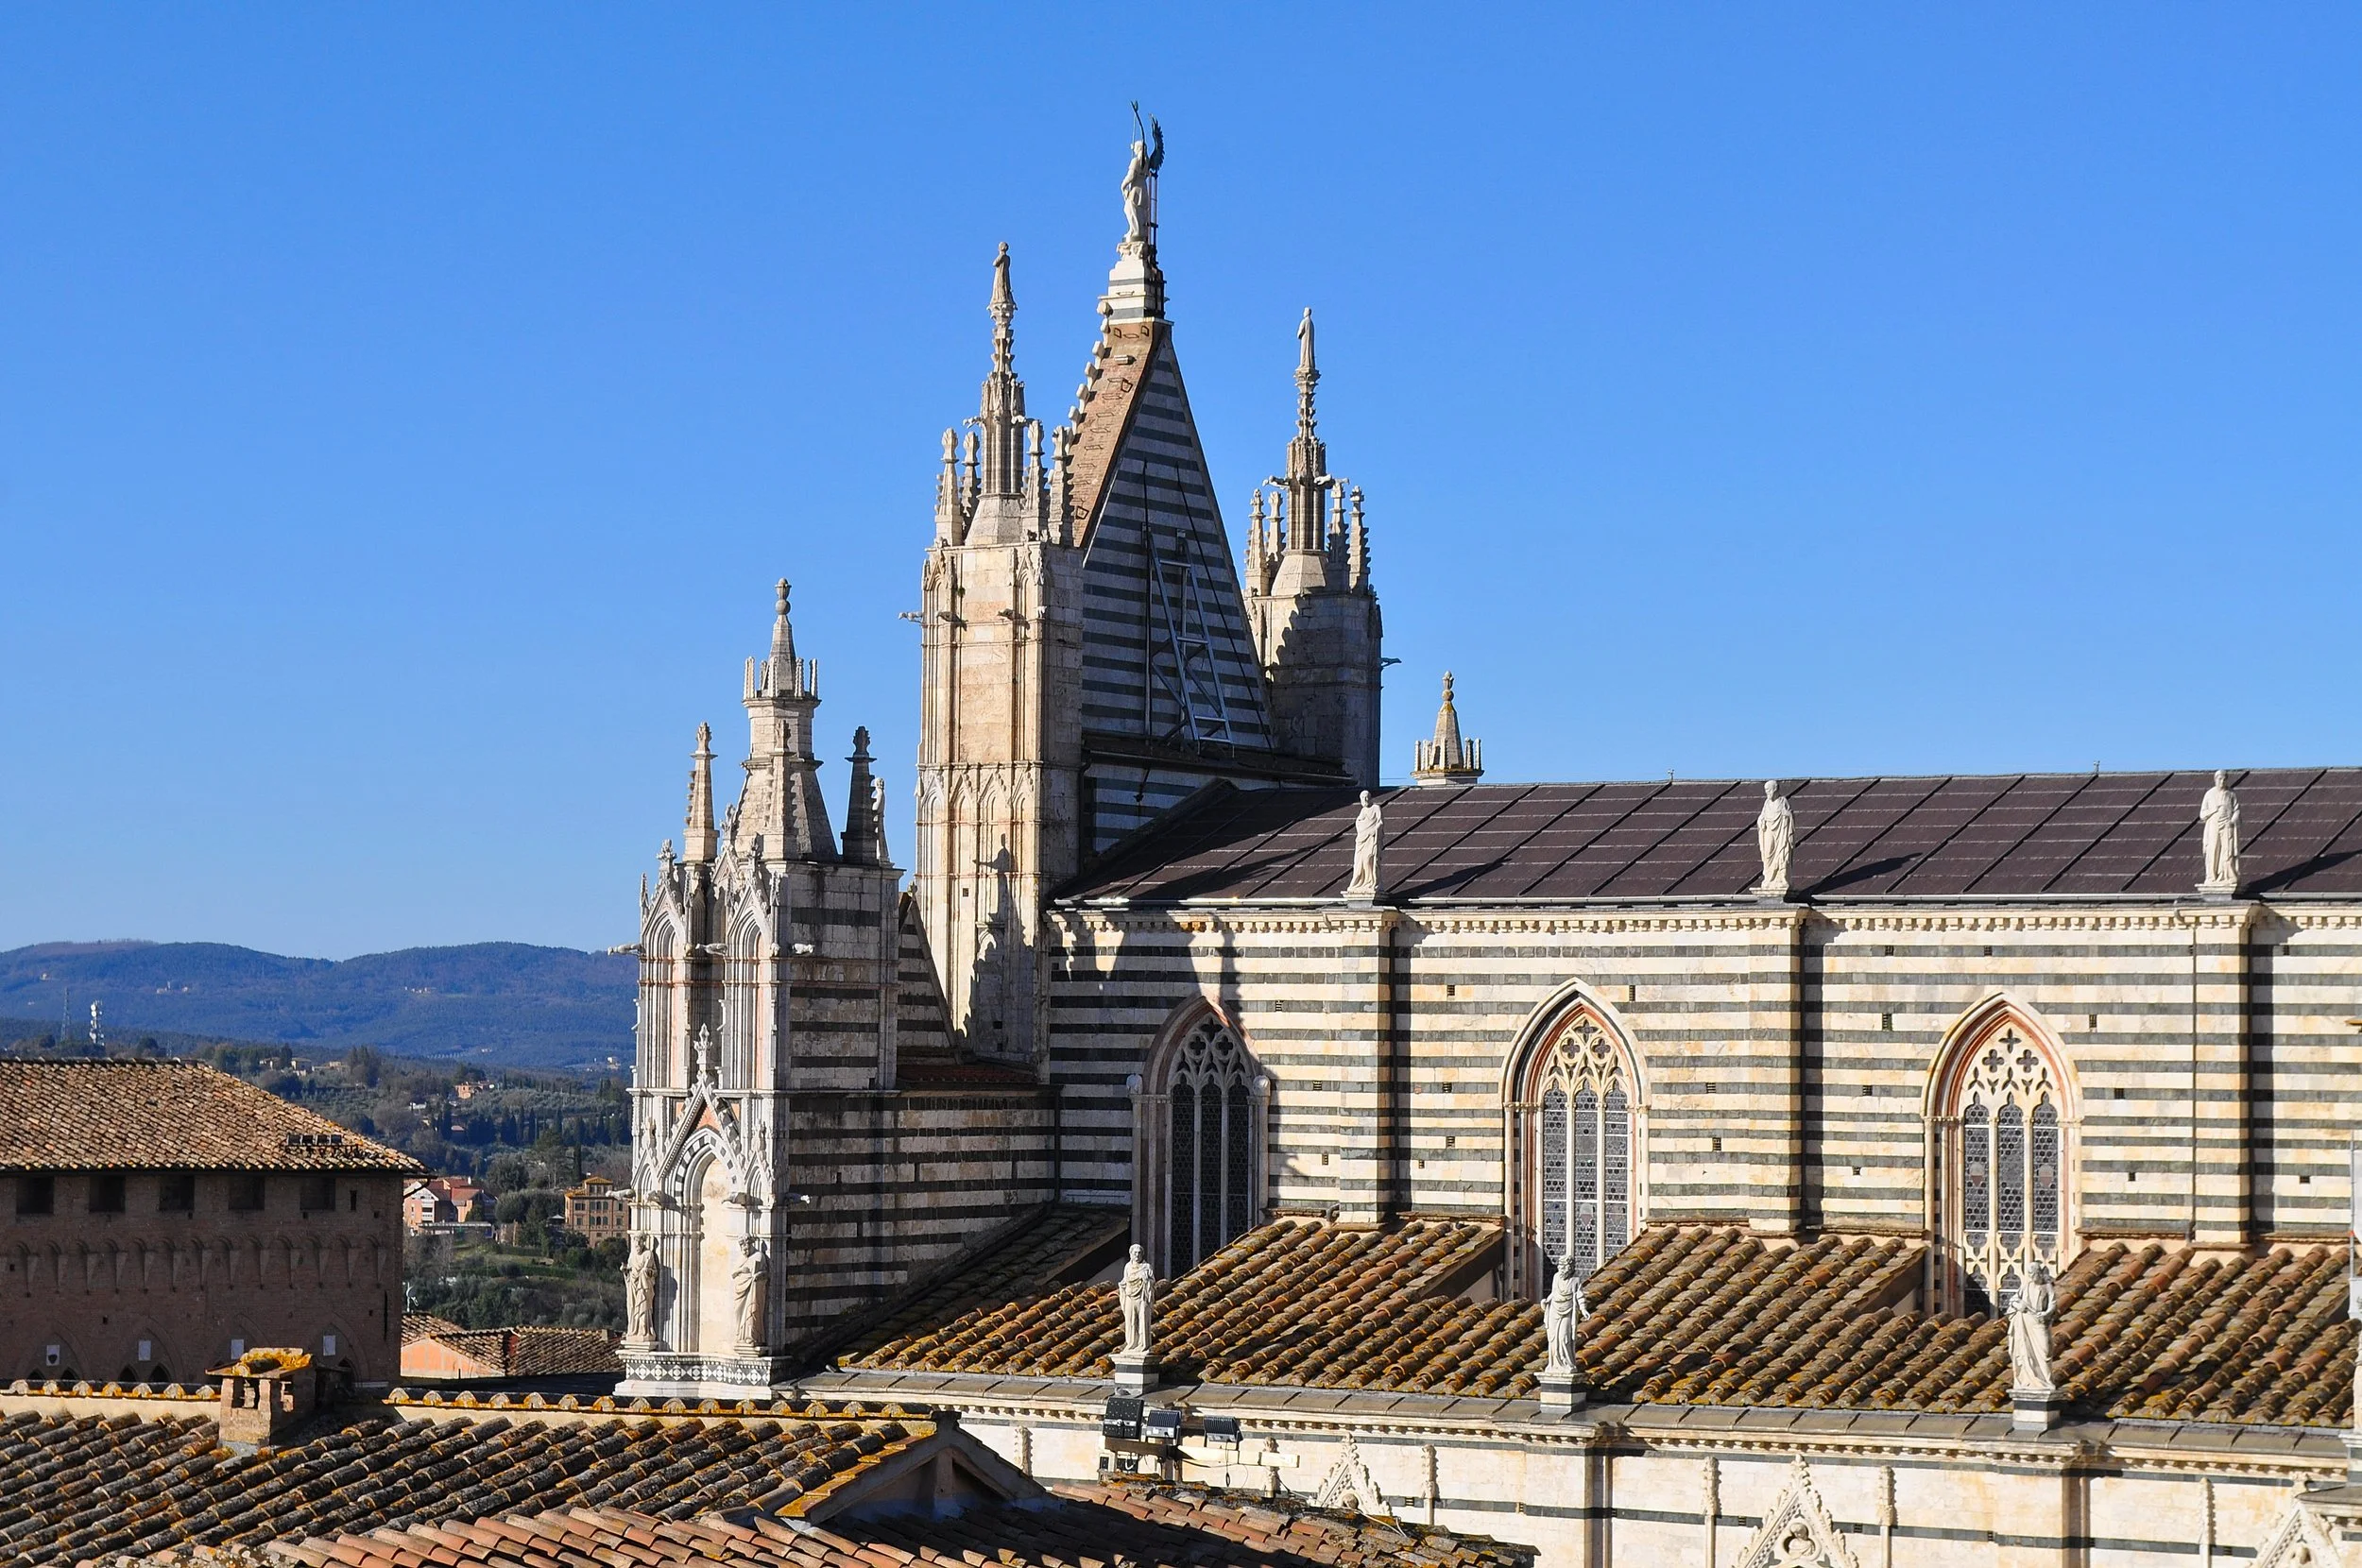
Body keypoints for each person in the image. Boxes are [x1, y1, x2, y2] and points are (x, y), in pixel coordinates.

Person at [2007, 1264, 2055, 1394]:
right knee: (2025, 1350)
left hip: (2039, 1322)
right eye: (2030, 1275)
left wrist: (2045, 1314)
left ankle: (2046, 1381)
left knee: (2045, 1351)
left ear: (2039, 1273)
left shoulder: (2047, 1286)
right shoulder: (2026, 1286)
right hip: (2025, 1321)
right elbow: (2013, 1300)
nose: (2032, 1277)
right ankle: (2029, 1380)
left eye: (2033, 1274)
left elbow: (2052, 1304)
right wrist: (2018, 1306)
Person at [1543, 1254, 1584, 1377]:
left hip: (1568, 1311)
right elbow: (1554, 1293)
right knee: (1553, 1339)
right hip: (1554, 1311)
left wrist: (1583, 1309)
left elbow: (1579, 1295)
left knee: (1563, 1338)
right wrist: (1546, 1301)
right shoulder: (1556, 1278)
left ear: (1570, 1268)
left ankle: (1567, 1363)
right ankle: (1555, 1364)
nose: (1561, 1269)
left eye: (1564, 1266)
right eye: (1560, 1266)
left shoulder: (1575, 1281)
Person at [1756, 780, 1795, 893]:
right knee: (1768, 853)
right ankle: (1769, 878)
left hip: (1781, 834)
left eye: (1768, 790)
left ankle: (1781, 878)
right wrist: (1760, 821)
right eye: (1765, 790)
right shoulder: (1767, 803)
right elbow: (1762, 816)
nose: (1767, 793)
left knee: (1782, 854)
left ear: (1774, 789)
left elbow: (1789, 815)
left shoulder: (1783, 801)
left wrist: (1787, 815)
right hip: (1769, 831)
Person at [1118, 1243, 1155, 1355]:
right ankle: (1131, 1343)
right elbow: (1125, 1280)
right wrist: (1122, 1285)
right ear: (1131, 1254)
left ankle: (1143, 1344)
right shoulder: (1128, 1267)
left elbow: (1152, 1281)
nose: (1137, 1255)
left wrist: (1146, 1279)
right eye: (1135, 1253)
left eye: (1139, 1253)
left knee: (1143, 1319)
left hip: (1142, 1297)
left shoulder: (1147, 1267)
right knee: (1130, 1320)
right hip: (1130, 1296)